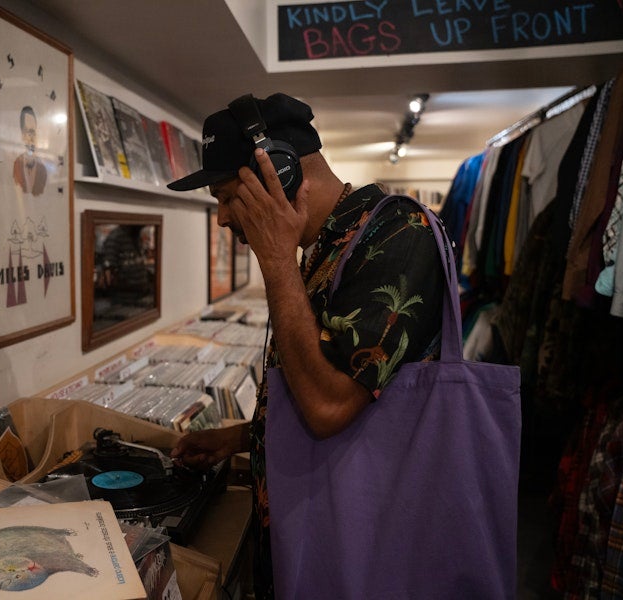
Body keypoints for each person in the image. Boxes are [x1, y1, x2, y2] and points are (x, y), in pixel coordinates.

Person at [167, 93, 446, 599]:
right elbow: (311, 374)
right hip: (309, 531)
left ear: (283, 173)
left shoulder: (401, 234)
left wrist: (276, 262)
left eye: (230, 197)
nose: (224, 220)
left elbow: (328, 406)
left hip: (361, 547)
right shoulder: (324, 249)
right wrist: (237, 438)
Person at [13, 106, 48, 196]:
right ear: (22, 135)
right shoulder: (16, 165)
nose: (31, 138)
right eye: (26, 132)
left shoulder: (43, 170)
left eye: (33, 132)